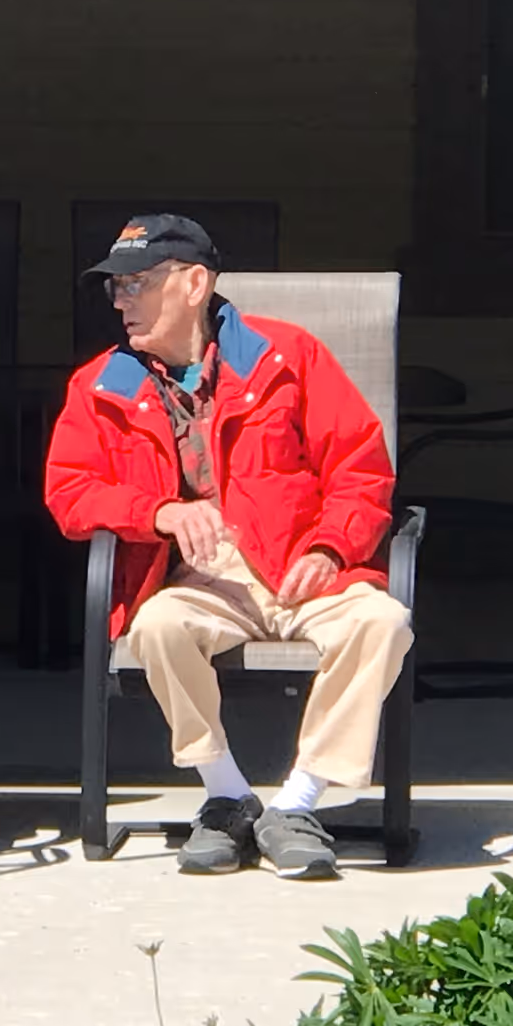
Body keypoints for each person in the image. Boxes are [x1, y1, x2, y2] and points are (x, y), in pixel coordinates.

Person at [45, 215, 413, 879]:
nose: (121, 301)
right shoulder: (105, 383)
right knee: (157, 626)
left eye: (136, 284)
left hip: (302, 568)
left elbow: (361, 468)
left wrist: (331, 547)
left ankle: (298, 803)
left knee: (384, 620)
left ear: (193, 283)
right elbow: (69, 493)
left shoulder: (287, 357)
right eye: (116, 289)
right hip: (202, 583)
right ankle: (227, 794)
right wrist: (156, 511)